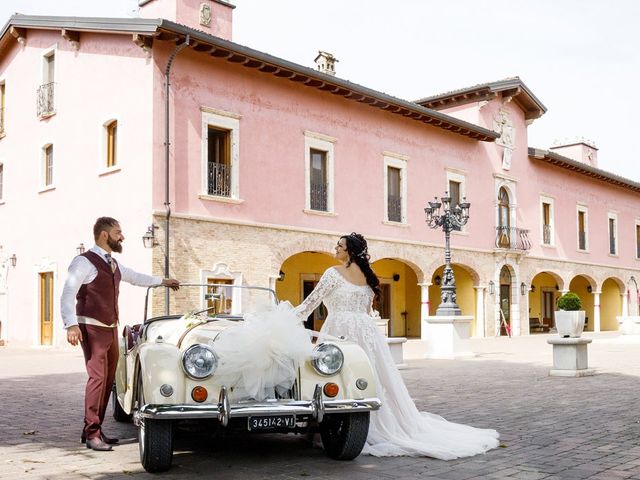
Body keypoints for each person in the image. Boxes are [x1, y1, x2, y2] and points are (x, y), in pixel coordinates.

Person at [293, 232, 500, 459]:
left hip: (340, 328)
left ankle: (345, 427)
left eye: (339, 246)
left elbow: (310, 303)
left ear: (350, 251)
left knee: (335, 377)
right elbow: (365, 312)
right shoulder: (368, 276)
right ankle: (358, 425)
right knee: (372, 377)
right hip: (365, 330)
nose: (336, 249)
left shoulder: (332, 274)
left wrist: (288, 318)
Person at [61, 217, 180, 451]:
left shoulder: (113, 265)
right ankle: (92, 432)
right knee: (97, 379)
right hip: (92, 328)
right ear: (104, 235)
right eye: (118, 232)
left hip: (110, 328)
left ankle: (94, 430)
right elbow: (68, 292)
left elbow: (136, 277)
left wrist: (162, 281)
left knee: (108, 380)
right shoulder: (84, 262)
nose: (122, 236)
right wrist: (71, 325)